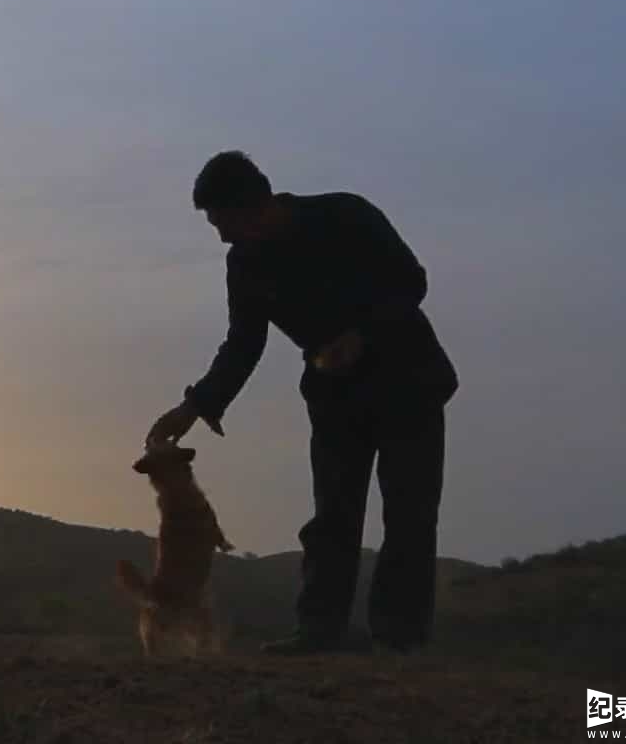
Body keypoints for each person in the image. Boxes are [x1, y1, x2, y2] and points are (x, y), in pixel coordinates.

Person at [146, 151, 459, 655]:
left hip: (409, 383)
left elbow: (410, 281)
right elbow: (244, 342)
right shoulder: (244, 263)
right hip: (334, 397)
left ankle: (400, 640)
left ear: (255, 204)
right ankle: (320, 631)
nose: (222, 236)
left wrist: (362, 335)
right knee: (332, 514)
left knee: (409, 513)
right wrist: (195, 406)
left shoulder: (347, 215)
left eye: (223, 220)